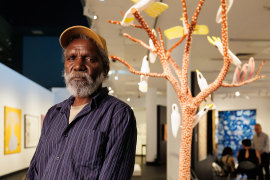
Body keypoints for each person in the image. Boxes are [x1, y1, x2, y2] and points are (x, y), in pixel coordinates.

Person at [26, 25, 137, 179]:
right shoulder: (54, 114)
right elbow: (36, 168)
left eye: (90, 59)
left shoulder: (118, 114)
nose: (78, 66)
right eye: (71, 58)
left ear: (105, 69)